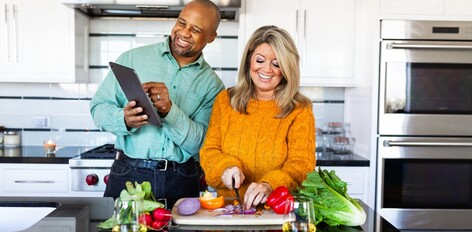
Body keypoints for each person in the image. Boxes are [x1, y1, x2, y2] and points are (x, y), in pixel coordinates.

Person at [90, 0, 225, 209]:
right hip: (128, 173)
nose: (184, 33)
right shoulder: (132, 59)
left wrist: (170, 111)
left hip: (182, 178)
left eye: (196, 29)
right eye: (182, 23)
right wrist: (123, 119)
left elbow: (200, 143)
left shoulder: (213, 86)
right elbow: (98, 107)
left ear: (211, 37)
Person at [200, 25, 316, 210]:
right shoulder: (225, 101)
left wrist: (270, 185)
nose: (267, 69)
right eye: (260, 60)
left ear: (286, 69)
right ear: (249, 61)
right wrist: (226, 167)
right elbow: (210, 151)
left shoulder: (300, 109)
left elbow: (302, 165)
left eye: (276, 64)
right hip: (230, 210)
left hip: (277, 210)